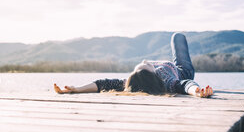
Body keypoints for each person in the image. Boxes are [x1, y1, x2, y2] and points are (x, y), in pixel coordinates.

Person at [54, 33, 213, 98]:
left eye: (139, 67)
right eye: (149, 67)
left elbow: (102, 83)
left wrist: (76, 89)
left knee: (176, 36)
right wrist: (197, 92)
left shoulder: (132, 81)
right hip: (181, 71)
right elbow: (186, 84)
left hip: (170, 72)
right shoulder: (169, 82)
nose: (145, 61)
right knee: (177, 37)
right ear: (153, 76)